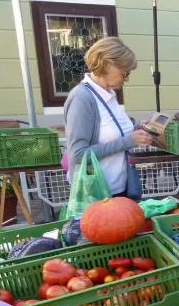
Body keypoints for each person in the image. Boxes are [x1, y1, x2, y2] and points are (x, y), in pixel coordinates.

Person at [64, 37, 152, 197]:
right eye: (124, 73)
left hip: (119, 190)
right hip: (97, 196)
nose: (126, 79)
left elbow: (113, 136)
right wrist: (129, 141)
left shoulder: (109, 95)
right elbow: (78, 154)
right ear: (107, 65)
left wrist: (138, 130)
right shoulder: (82, 98)